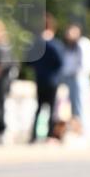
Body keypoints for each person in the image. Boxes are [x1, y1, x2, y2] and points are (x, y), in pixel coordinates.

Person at [29, 13, 64, 142]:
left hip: (44, 80)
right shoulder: (52, 44)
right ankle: (47, 136)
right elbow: (61, 61)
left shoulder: (38, 43)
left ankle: (37, 136)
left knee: (41, 108)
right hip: (50, 80)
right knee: (48, 108)